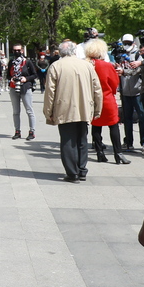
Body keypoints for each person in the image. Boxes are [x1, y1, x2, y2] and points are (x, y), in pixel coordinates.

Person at [44, 40, 102, 182]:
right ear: (74, 51)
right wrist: (97, 109)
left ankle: (72, 173)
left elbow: (50, 92)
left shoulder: (56, 66)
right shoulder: (87, 66)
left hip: (64, 109)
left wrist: (48, 111)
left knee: (68, 141)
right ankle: (82, 170)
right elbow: (97, 90)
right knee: (82, 140)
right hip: (84, 108)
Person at [84, 38, 129, 165]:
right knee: (113, 126)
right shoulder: (107, 65)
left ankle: (100, 153)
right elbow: (114, 84)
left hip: (92, 99)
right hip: (107, 98)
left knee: (96, 126)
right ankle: (118, 153)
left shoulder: (87, 65)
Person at [119, 34, 144, 152]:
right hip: (125, 91)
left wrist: (125, 71)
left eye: (129, 42)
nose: (126, 44)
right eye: (124, 42)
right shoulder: (120, 54)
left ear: (133, 42)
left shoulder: (138, 55)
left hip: (137, 91)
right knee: (126, 118)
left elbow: (138, 69)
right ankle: (128, 141)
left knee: (142, 117)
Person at [7, 43, 38, 140]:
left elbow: (34, 75)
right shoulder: (11, 62)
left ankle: (32, 131)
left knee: (29, 110)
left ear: (22, 51)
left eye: (18, 50)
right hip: (13, 87)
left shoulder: (27, 62)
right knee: (16, 111)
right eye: (14, 50)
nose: (16, 52)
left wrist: (26, 78)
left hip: (25, 87)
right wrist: (11, 79)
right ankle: (17, 131)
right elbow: (8, 75)